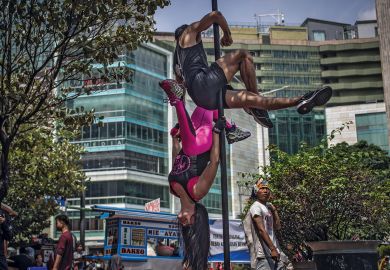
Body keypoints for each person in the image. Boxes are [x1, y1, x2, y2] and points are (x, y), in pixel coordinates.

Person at [173, 11, 332, 127]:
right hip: (204, 83)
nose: (200, 36)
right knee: (244, 55)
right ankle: (257, 108)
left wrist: (183, 121)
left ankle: (301, 100)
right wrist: (227, 34)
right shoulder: (188, 32)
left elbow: (180, 90)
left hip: (203, 100)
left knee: (258, 101)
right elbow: (216, 15)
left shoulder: (177, 59)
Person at [159, 80, 226, 270]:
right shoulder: (197, 191)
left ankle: (230, 126)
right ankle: (177, 100)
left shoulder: (173, 190)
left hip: (190, 136)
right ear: (196, 216)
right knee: (192, 144)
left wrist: (174, 140)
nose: (182, 220)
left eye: (183, 224)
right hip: (201, 140)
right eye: (188, 221)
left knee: (207, 101)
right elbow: (214, 162)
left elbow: (176, 161)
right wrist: (217, 131)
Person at [243, 179, 291, 270]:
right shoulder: (256, 207)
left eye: (267, 188)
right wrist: (272, 249)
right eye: (262, 188)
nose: (265, 191)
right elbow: (261, 230)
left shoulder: (267, 207)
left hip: (276, 252)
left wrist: (274, 210)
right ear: (256, 192)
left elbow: (277, 227)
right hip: (263, 254)